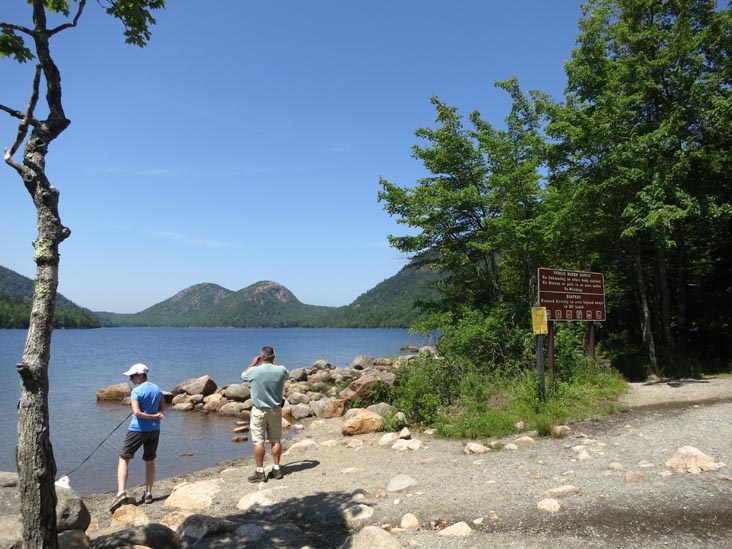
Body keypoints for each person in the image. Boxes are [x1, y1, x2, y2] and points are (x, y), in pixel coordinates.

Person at [109, 363, 165, 513]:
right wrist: (156, 415)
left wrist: (152, 415)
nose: (131, 379)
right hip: (154, 429)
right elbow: (162, 408)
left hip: (138, 429)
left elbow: (137, 413)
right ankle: (148, 493)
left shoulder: (136, 391)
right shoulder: (157, 389)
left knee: (124, 458)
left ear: (141, 375)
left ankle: (121, 493)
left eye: (132, 376)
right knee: (150, 460)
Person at [241, 346, 289, 482]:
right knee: (275, 440)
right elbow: (286, 372)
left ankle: (260, 472)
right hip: (275, 409)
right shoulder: (281, 370)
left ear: (261, 357)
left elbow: (243, 375)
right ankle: (276, 469)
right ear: (273, 357)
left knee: (258, 441)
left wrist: (253, 363)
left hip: (259, 410)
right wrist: (275, 363)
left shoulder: (254, 371)